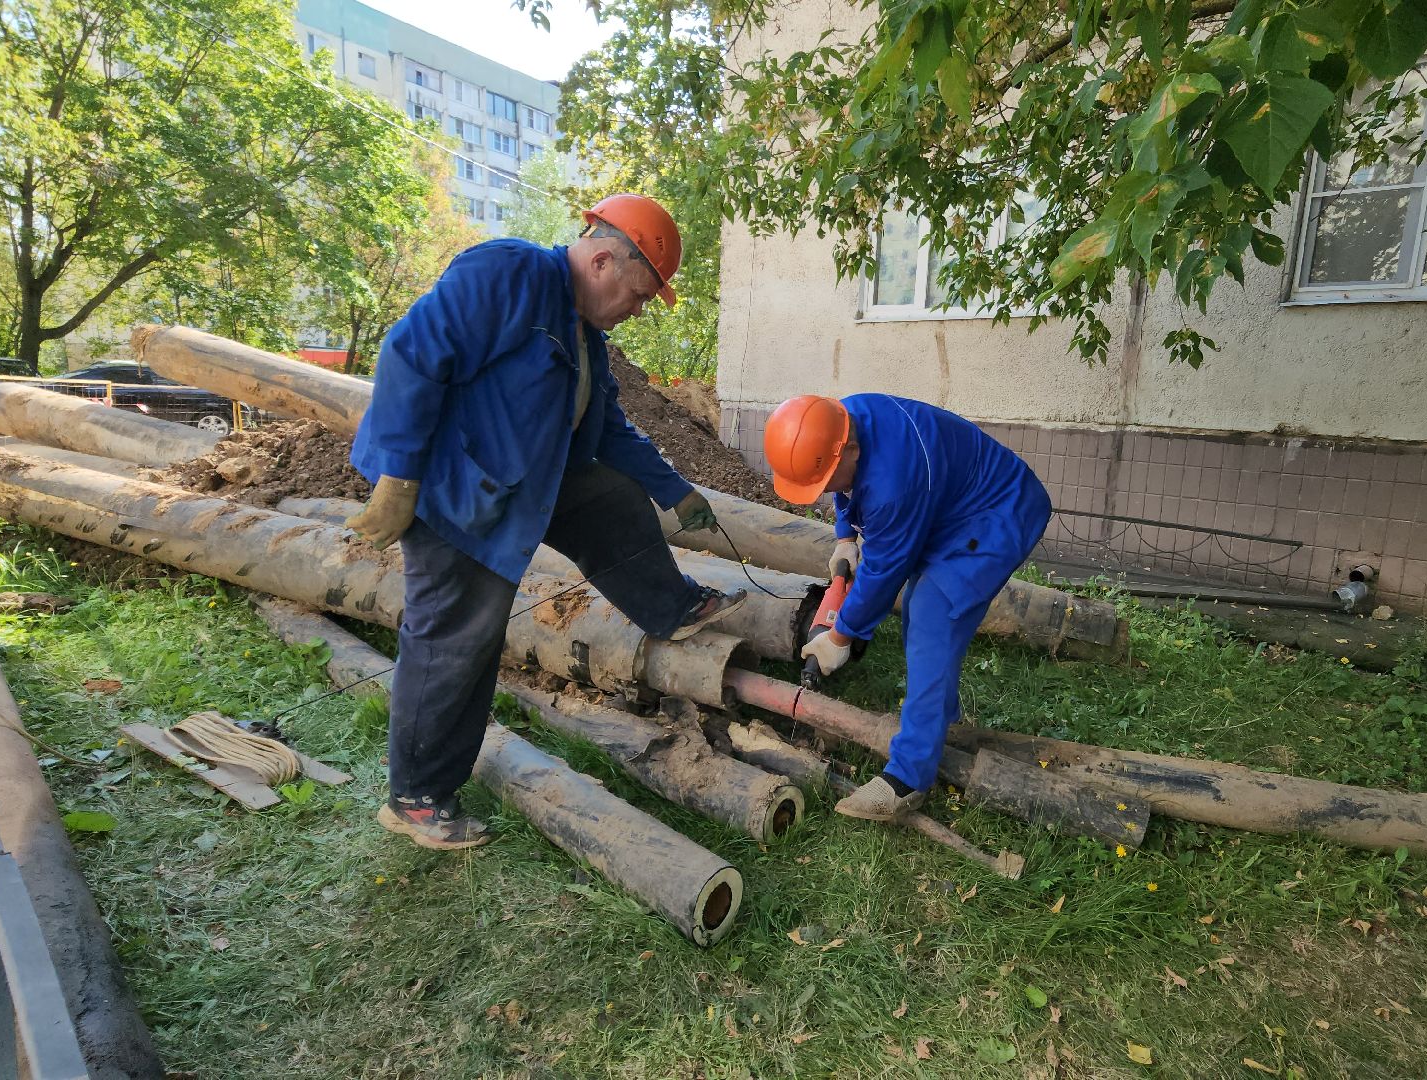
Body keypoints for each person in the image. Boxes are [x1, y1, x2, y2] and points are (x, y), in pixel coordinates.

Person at [349, 193, 747, 850]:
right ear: (600, 259)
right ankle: (416, 797)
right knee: (456, 639)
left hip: (526, 481)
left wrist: (676, 493)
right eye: (641, 294)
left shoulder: (586, 335)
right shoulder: (508, 274)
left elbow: (611, 431)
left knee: (610, 497)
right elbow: (412, 352)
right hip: (456, 492)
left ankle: (671, 607)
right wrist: (399, 475)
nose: (639, 309)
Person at [763, 393, 1051, 821]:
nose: (825, 492)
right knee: (919, 608)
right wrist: (845, 535)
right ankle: (939, 717)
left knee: (933, 621)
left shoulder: (892, 486)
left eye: (823, 483)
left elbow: (883, 573)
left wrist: (841, 634)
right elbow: (845, 485)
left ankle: (908, 778)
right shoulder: (837, 421)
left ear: (852, 450)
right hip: (948, 503)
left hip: (998, 512)